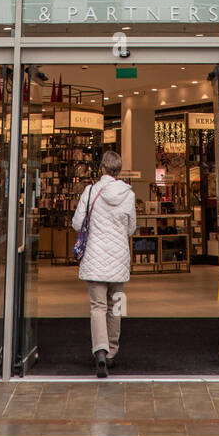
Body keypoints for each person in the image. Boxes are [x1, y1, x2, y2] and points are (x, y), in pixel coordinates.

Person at [71, 150, 137, 377]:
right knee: (116, 305)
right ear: (118, 170)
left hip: (95, 258)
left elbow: (77, 223)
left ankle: (100, 350)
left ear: (102, 169)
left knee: (98, 306)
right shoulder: (128, 194)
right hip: (118, 258)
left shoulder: (90, 192)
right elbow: (131, 228)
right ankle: (112, 352)